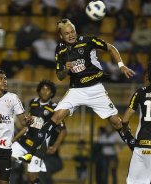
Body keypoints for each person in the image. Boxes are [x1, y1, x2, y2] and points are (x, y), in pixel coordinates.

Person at [20, 18, 136, 162]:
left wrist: (121, 65)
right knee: (55, 118)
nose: (71, 35)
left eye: (72, 31)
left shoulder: (88, 41)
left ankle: (136, 149)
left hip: (95, 89)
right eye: (67, 33)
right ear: (61, 36)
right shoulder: (60, 50)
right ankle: (30, 152)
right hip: (76, 90)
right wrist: (65, 69)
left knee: (117, 123)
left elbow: (111, 47)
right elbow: (60, 76)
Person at [11, 80, 67, 184]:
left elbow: (63, 131)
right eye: (43, 89)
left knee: (32, 176)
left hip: (39, 146)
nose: (45, 91)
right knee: (8, 158)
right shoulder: (33, 102)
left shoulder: (55, 108)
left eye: (48, 89)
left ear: (52, 93)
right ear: (39, 90)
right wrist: (14, 139)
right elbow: (28, 126)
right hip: (25, 140)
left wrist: (55, 146)